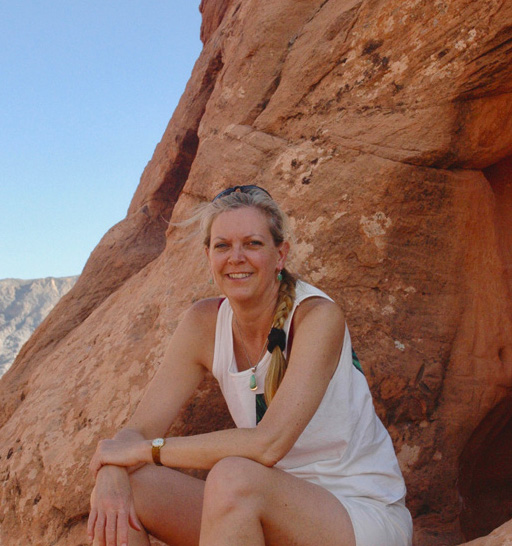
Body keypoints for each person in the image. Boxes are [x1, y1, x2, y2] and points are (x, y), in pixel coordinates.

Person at [88, 185, 413, 546]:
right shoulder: (202, 324)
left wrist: (141, 451)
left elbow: (266, 446)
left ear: (280, 254)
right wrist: (112, 472)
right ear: (208, 255)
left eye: (253, 244)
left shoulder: (317, 317)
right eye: (222, 245)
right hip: (262, 508)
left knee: (233, 478)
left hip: (354, 515)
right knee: (128, 491)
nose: (236, 257)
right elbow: (138, 430)